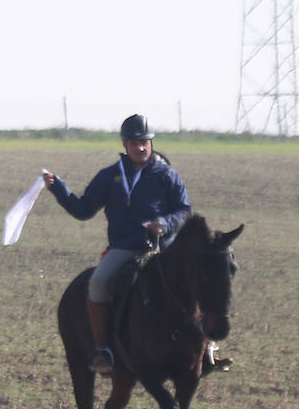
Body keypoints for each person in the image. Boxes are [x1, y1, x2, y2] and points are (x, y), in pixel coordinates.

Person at [43, 113, 196, 375]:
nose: (140, 148)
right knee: (99, 282)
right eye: (134, 143)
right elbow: (83, 210)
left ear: (151, 143)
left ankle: (207, 347)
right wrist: (59, 188)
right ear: (125, 144)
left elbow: (184, 211)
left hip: (163, 247)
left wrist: (164, 223)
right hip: (125, 248)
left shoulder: (167, 175)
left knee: (197, 279)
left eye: (144, 142)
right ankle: (103, 349)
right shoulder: (110, 176)